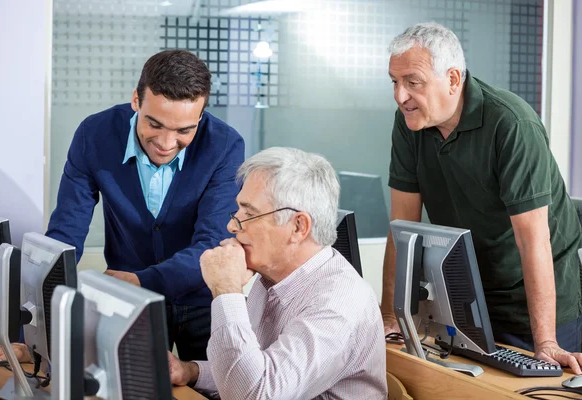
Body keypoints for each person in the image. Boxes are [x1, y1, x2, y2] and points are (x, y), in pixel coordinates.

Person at [381, 22, 582, 372]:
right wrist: (390, 316)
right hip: (470, 295)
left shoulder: (511, 124)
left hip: (532, 301)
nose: (400, 96)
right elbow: (402, 230)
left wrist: (546, 341)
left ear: (454, 79)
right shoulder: (409, 121)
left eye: (413, 82)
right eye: (395, 82)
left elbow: (533, 240)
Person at [46, 49, 245, 360]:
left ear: (201, 115)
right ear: (136, 101)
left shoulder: (224, 145)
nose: (166, 143)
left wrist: (142, 279)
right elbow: (65, 233)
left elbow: (212, 244)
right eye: (154, 124)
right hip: (127, 300)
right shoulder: (94, 135)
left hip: (203, 300)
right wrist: (40, 320)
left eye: (184, 130)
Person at [168, 147, 388, 399]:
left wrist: (226, 290)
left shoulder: (338, 303)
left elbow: (256, 393)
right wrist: (190, 371)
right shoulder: (269, 278)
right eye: (238, 211)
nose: (231, 225)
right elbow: (250, 371)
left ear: (298, 227)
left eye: (249, 214)